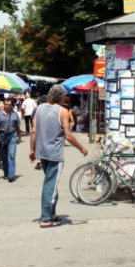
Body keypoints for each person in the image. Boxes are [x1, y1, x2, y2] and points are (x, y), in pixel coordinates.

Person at [30, 84, 88, 228]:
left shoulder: (40, 108)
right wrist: (82, 148)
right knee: (51, 185)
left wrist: (32, 150)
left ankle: (52, 212)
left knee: (51, 183)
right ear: (61, 97)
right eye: (64, 96)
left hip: (42, 153)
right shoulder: (62, 111)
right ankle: (45, 218)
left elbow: (34, 131)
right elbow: (68, 135)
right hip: (54, 154)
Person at [0, 98, 23, 182]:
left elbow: (18, 127)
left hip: (12, 135)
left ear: (12, 105)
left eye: (9, 104)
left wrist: (19, 137)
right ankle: (6, 171)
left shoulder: (15, 114)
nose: (7, 106)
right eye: (6, 104)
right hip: (2, 136)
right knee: (4, 157)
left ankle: (11, 175)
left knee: (11, 155)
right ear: (4, 104)